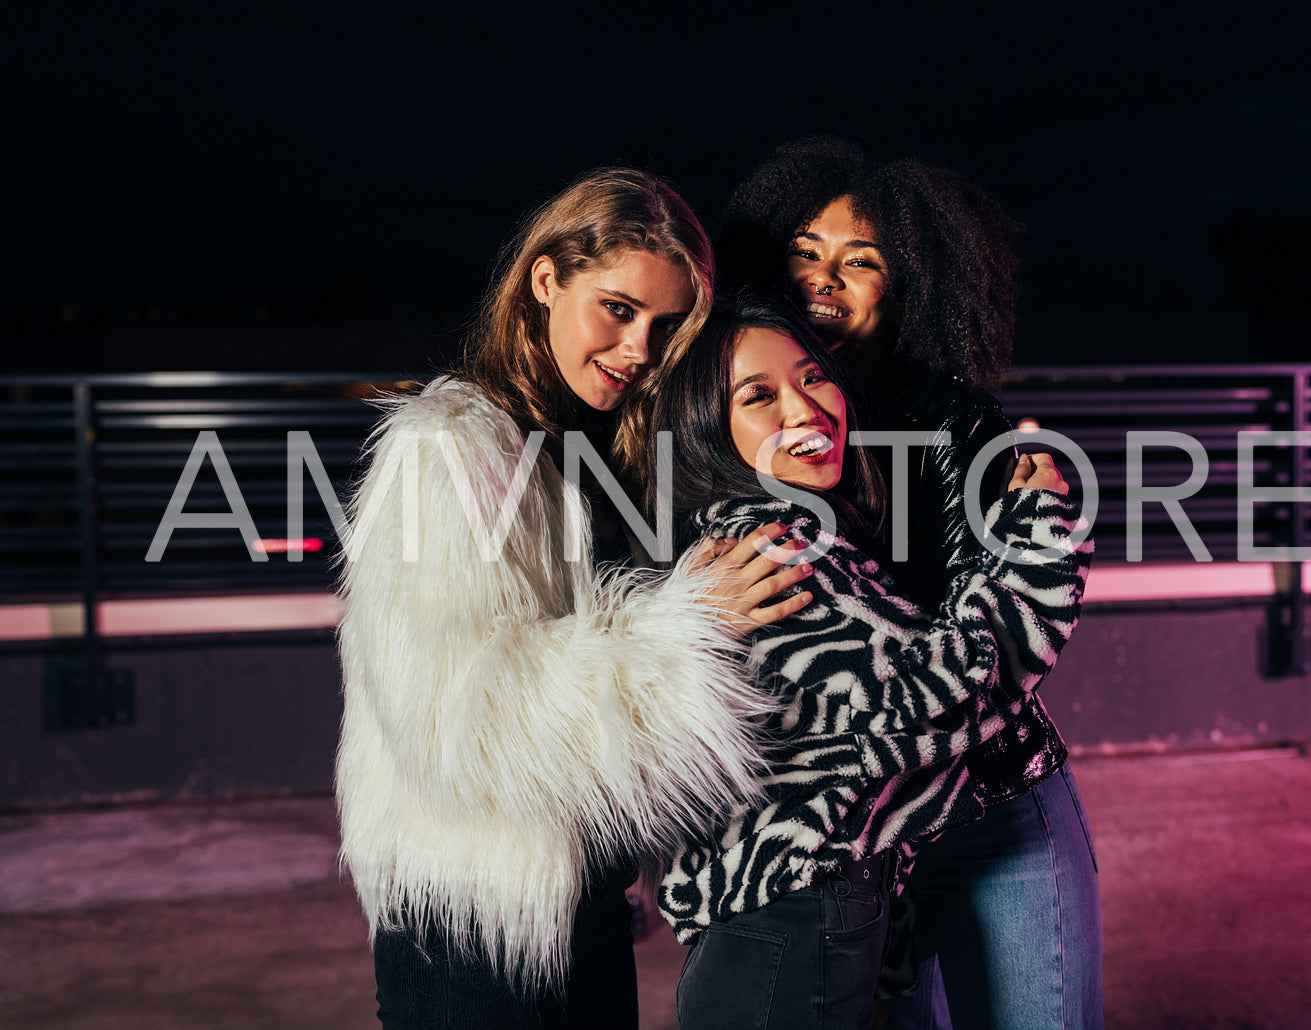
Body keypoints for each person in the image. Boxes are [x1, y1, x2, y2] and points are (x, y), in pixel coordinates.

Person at [334, 169, 817, 1029]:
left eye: (667, 326)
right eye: (618, 309)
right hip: (474, 920)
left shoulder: (582, 445)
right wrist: (684, 626)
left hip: (573, 901)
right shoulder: (447, 449)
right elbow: (455, 711)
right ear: (546, 280)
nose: (638, 349)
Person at [722, 138, 1105, 1030]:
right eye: (806, 252)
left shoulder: (956, 421)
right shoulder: (721, 427)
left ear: (904, 286)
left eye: (860, 262)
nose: (826, 277)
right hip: (856, 840)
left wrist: (1037, 522)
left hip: (990, 803)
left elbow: (997, 640)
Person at [650, 290, 1090, 1030]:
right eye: (758, 396)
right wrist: (1035, 533)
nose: (802, 410)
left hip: (791, 913)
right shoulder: (775, 550)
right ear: (709, 431)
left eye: (811, 378)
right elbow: (944, 699)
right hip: (788, 920)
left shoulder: (758, 532)